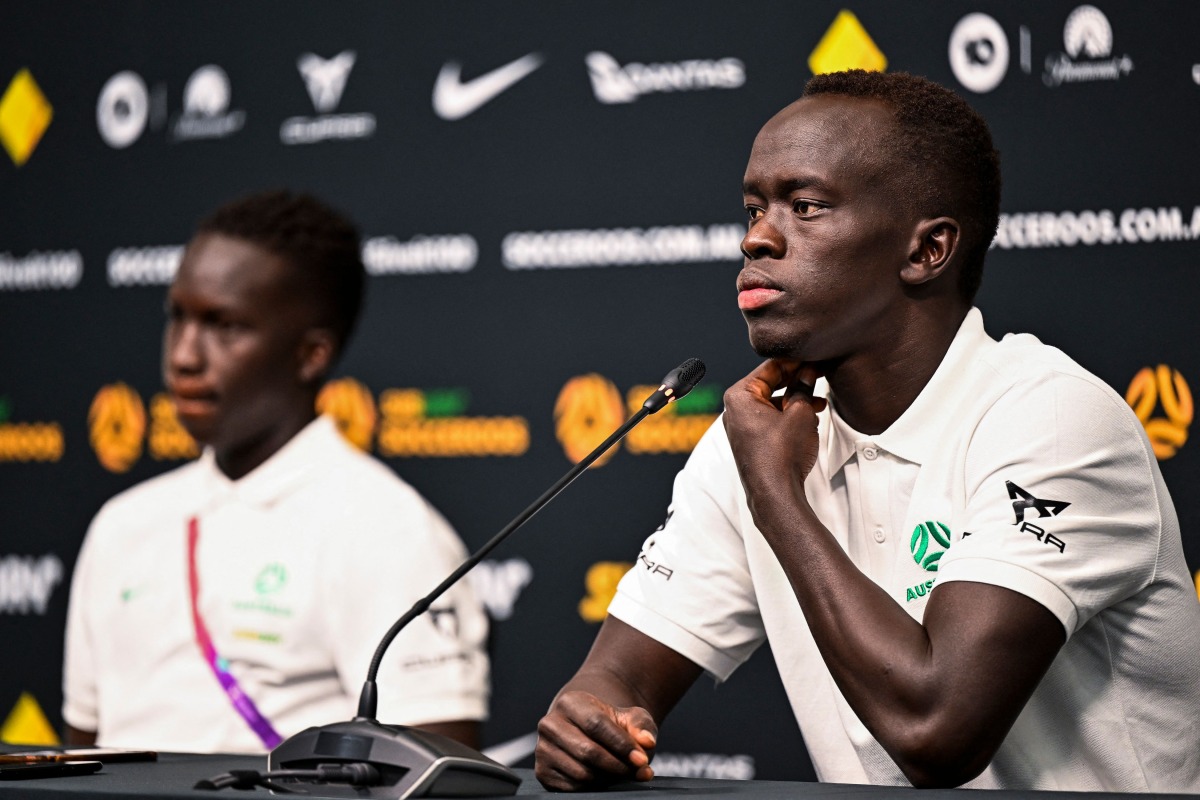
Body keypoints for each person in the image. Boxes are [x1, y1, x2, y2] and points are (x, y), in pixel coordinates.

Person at [534, 70, 1200, 792]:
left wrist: (778, 498)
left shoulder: (1051, 417)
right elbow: (617, 677)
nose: (757, 237)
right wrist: (588, 724)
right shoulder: (756, 441)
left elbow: (935, 730)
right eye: (754, 208)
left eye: (806, 206)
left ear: (927, 251)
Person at [63, 190, 489, 753]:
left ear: (311, 355)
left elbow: (432, 772)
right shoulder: (121, 525)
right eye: (178, 317)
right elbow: (82, 755)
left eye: (224, 325)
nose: (185, 356)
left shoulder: (389, 528)